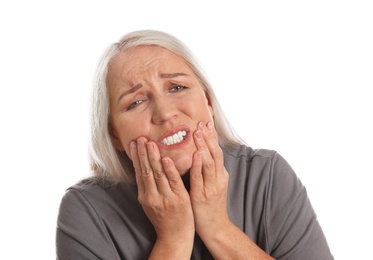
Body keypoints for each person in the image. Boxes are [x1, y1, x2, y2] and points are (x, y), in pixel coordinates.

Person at [56, 30, 334, 259]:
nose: (165, 113)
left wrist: (218, 227)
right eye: (136, 102)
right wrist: (173, 239)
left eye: (177, 87)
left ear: (208, 102)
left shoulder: (268, 176)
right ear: (114, 135)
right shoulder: (86, 210)